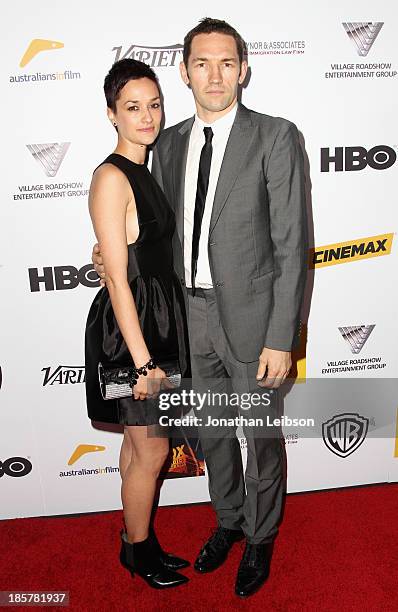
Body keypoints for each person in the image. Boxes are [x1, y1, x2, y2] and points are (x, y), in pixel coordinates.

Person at [93, 18, 308, 598]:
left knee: (259, 437)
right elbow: (145, 233)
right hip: (184, 320)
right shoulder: (166, 143)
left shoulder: (276, 136)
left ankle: (260, 538)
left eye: (227, 63)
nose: (215, 75)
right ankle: (229, 521)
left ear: (244, 69)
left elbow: (292, 246)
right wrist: (106, 254)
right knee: (212, 433)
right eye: (202, 63)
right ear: (185, 71)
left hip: (254, 320)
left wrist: (281, 336)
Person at [85, 58, 191, 589]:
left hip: (157, 319)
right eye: (133, 107)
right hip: (132, 332)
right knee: (151, 448)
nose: (147, 116)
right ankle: (140, 552)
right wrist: (144, 360)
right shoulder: (110, 177)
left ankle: (136, 542)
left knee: (136, 446)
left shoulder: (142, 171)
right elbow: (118, 282)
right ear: (112, 114)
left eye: (154, 104)